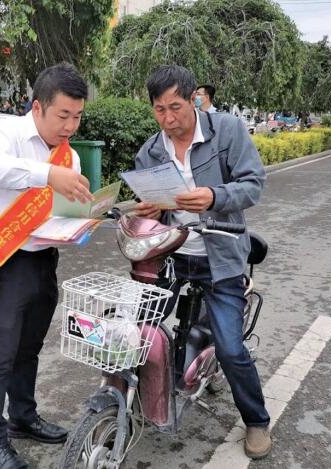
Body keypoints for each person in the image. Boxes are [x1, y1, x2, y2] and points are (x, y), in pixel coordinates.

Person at [133, 65, 271, 459]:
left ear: (193, 98)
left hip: (220, 256)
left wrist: (214, 196)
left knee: (230, 347)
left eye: (175, 107)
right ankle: (138, 401)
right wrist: (149, 208)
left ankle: (256, 421)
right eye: (159, 110)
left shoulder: (227, 131)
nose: (168, 118)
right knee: (138, 330)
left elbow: (253, 184)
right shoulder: (151, 151)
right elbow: (151, 204)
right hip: (172, 254)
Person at [0, 63, 93, 469]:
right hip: (3, 262)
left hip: (43, 258)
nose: (70, 126)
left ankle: (22, 416)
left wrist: (82, 222)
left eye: (77, 116)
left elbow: (62, 210)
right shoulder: (5, 133)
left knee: (29, 347)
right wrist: (48, 174)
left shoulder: (69, 155)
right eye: (63, 115)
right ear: (38, 107)